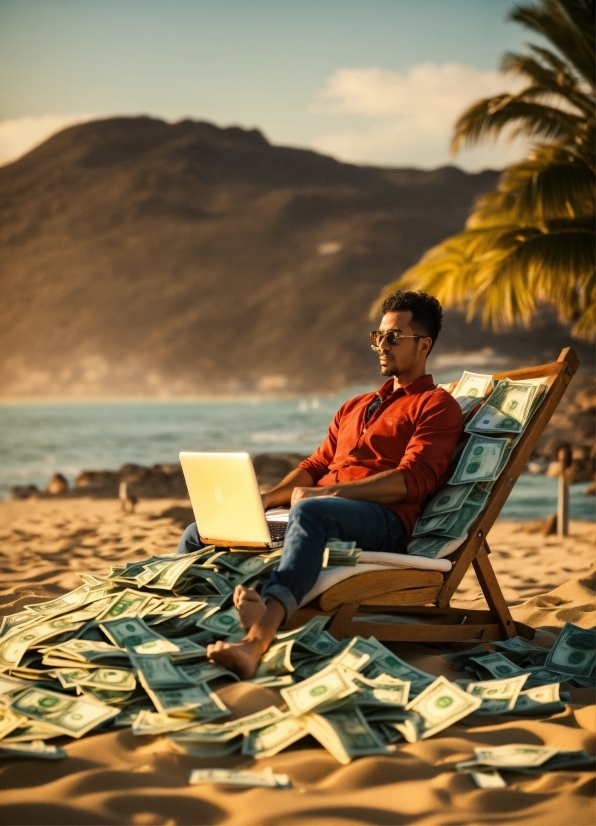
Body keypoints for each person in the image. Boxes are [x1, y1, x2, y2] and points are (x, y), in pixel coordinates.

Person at [177, 290, 463, 677]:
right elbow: (316, 464)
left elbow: (415, 480)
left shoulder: (436, 405)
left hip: (383, 523)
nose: (382, 345)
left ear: (423, 345)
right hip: (320, 513)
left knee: (312, 510)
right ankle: (182, 626)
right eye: (378, 336)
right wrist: (264, 499)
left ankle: (255, 641)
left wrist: (326, 493)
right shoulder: (354, 406)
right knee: (201, 530)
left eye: (394, 337)